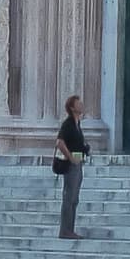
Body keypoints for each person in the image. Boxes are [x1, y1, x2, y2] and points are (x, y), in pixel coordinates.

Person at [53, 96, 91, 241]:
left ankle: (70, 229)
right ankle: (65, 230)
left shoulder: (77, 124)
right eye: (78, 103)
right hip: (71, 165)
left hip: (78, 163)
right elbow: (60, 142)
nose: (81, 105)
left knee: (74, 198)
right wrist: (70, 157)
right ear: (72, 108)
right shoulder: (68, 124)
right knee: (69, 197)